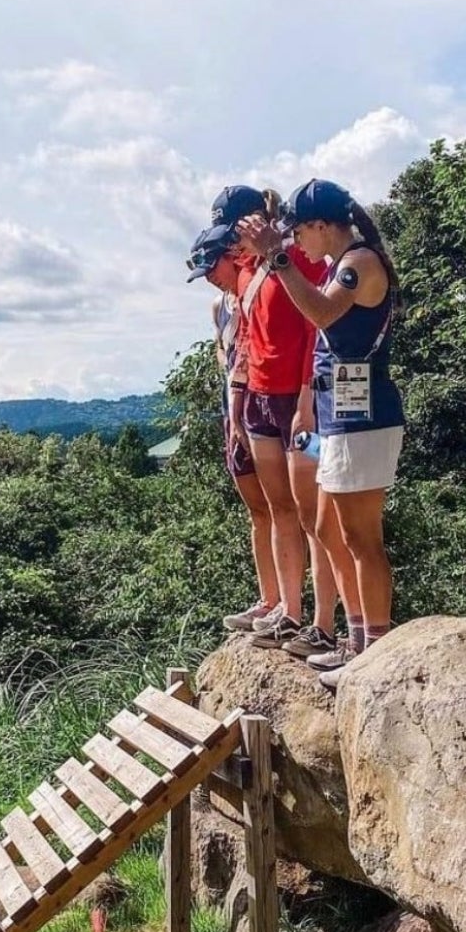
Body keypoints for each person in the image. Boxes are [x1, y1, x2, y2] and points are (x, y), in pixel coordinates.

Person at [239, 178, 402, 689]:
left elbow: (321, 311)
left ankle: (372, 650)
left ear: (321, 225)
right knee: (329, 528)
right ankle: (355, 641)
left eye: (299, 233)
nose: (296, 244)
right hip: (336, 417)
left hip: (364, 417)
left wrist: (276, 259)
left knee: (360, 538)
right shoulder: (342, 264)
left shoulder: (359, 264)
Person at [209, 185, 348, 662]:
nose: (230, 248)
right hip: (262, 401)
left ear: (253, 222)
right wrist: (240, 406)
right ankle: (288, 610)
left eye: (234, 236)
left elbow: (319, 327)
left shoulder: (296, 258)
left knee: (314, 514)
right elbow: (245, 339)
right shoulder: (248, 270)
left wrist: (309, 397)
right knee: (278, 509)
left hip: (299, 402)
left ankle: (324, 624)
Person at [184, 221, 279, 634]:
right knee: (258, 511)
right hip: (233, 411)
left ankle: (290, 606)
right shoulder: (221, 307)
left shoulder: (255, 291)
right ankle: (268, 598)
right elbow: (224, 354)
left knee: (287, 509)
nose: (210, 278)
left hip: (264, 407)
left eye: (212, 268)